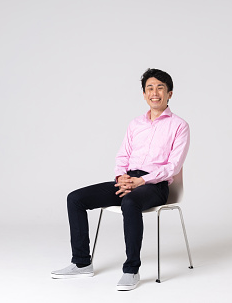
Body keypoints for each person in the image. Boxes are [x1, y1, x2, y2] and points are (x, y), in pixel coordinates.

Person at [51, 68, 190, 291]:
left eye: (160, 88)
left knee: (130, 202)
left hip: (156, 185)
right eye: (150, 88)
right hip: (128, 180)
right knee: (75, 198)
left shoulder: (179, 125)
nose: (155, 93)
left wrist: (142, 182)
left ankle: (131, 270)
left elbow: (173, 166)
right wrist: (121, 177)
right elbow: (123, 156)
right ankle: (82, 263)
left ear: (170, 94)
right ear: (144, 94)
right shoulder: (135, 124)